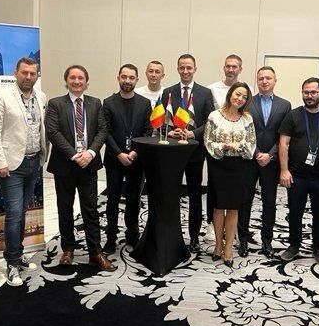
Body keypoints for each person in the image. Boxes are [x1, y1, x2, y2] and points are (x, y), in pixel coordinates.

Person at [45, 65, 115, 271]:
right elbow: (53, 132)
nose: (76, 81)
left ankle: (95, 252)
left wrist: (90, 153)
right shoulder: (56, 104)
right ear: (66, 81)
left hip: (88, 164)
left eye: (80, 78)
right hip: (64, 164)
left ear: (86, 82)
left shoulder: (95, 103)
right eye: (73, 78)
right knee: (65, 208)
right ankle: (67, 249)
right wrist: (75, 155)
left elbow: (102, 130)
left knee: (91, 210)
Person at [0, 57, 48, 287]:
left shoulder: (41, 97)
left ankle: (19, 252)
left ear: (37, 75)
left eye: (33, 73)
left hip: (33, 162)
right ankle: (12, 262)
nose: (28, 77)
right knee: (14, 214)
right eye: (24, 72)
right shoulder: (1, 96)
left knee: (23, 212)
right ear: (16, 73)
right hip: (12, 165)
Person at [279, 77, 319, 264]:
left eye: (313, 92)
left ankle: (318, 248)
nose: (309, 96)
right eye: (306, 92)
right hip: (297, 175)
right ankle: (294, 246)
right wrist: (284, 170)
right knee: (295, 212)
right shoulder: (293, 115)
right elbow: (284, 144)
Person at [163, 54, 215, 252]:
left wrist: (193, 133)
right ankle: (172, 234)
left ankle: (194, 237)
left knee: (194, 195)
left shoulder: (205, 93)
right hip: (173, 153)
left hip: (195, 152)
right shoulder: (168, 92)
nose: (185, 71)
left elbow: (210, 121)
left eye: (189, 68)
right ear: (177, 69)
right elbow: (163, 120)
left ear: (195, 69)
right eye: (182, 68)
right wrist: (170, 132)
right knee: (172, 194)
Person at [239, 66, 291, 258]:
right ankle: (243, 240)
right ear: (257, 80)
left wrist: (270, 155)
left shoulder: (284, 105)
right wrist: (256, 153)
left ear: (275, 81)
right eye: (261, 78)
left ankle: (267, 241)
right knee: (245, 201)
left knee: (269, 202)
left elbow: (284, 136)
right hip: (249, 160)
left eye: (268, 78)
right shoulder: (247, 102)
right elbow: (243, 132)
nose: (265, 81)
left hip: (272, 161)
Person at [204, 82, 256, 267]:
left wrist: (239, 146)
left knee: (233, 208)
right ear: (230, 94)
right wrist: (224, 146)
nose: (240, 99)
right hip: (218, 165)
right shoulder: (214, 116)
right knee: (218, 207)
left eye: (244, 97)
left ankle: (228, 248)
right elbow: (208, 141)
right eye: (237, 94)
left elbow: (251, 145)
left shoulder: (247, 119)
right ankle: (218, 245)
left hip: (239, 167)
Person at [102, 64, 153, 254]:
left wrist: (135, 152)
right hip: (114, 159)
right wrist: (119, 154)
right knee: (112, 200)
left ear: (137, 80)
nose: (127, 81)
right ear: (118, 78)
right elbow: (105, 132)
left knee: (133, 200)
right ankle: (111, 238)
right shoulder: (108, 103)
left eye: (131, 78)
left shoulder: (145, 103)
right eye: (124, 77)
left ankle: (132, 235)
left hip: (136, 160)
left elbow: (148, 131)